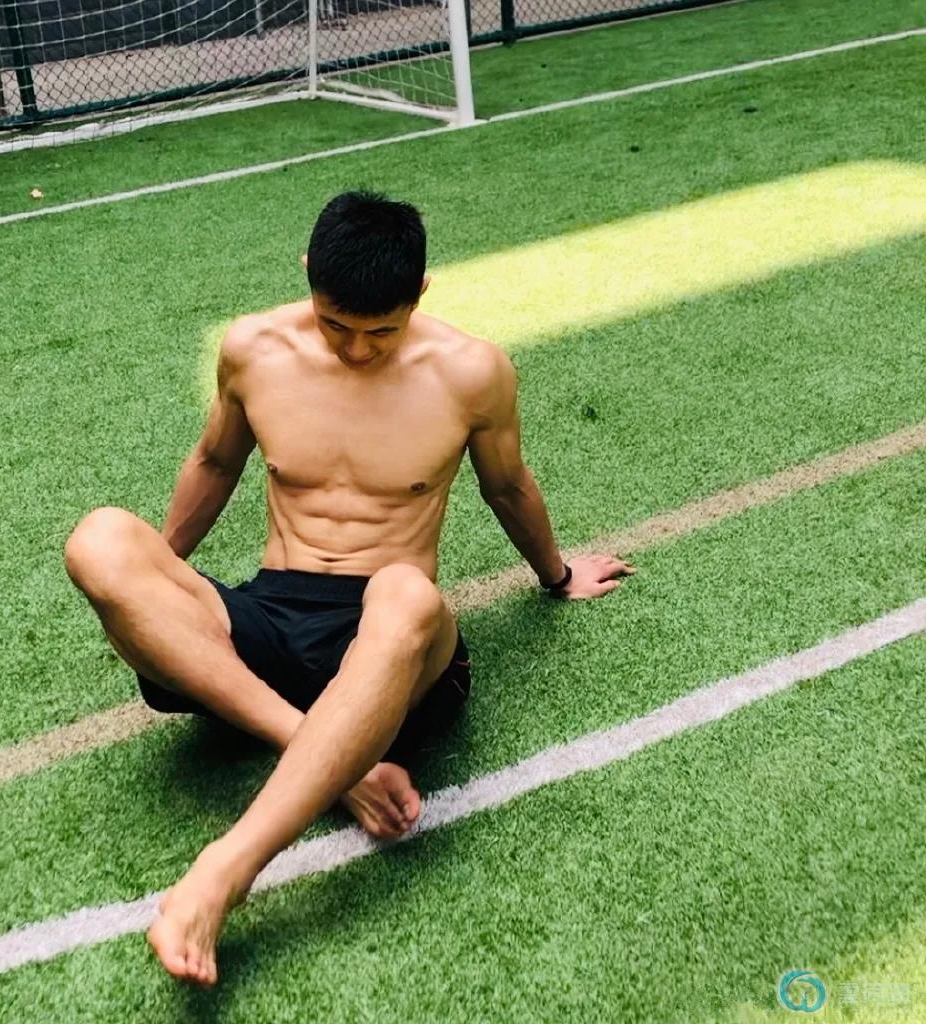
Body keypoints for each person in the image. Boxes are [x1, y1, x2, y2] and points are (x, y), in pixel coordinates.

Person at [63, 190, 635, 986]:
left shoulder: (472, 373)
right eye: (336, 326)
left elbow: (506, 487)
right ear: (308, 275)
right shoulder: (252, 349)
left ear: (420, 294)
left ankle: (226, 871)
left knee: (407, 590)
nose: (358, 350)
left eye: (382, 332)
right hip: (272, 615)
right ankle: (335, 759)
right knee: (99, 540)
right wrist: (153, 599)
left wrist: (558, 574)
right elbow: (216, 462)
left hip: (392, 648)